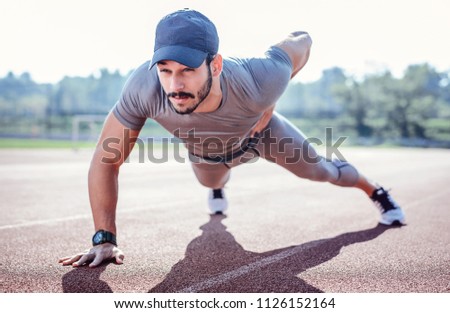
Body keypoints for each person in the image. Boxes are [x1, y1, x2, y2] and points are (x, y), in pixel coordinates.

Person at [59, 9, 405, 268]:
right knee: (210, 180)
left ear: (216, 65)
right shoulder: (142, 89)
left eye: (187, 70)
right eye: (165, 70)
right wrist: (104, 238)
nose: (174, 86)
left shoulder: (262, 75)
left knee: (322, 172)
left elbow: (303, 39)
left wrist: (271, 101)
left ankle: (376, 190)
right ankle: (218, 185)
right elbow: (106, 162)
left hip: (264, 135)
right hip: (206, 154)